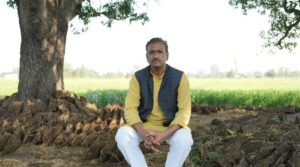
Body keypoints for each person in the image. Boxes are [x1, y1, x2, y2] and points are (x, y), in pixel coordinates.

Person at [115, 37, 193, 167]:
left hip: (169, 128)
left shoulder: (180, 77)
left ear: (167, 55)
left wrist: (164, 135)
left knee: (185, 138)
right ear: (147, 56)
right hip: (144, 127)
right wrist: (144, 133)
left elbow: (184, 112)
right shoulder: (138, 77)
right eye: (152, 52)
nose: (156, 55)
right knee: (122, 135)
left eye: (160, 52)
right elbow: (130, 109)